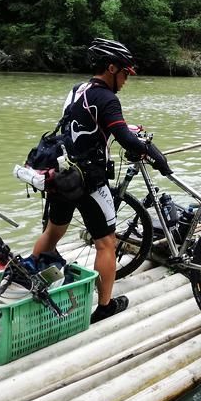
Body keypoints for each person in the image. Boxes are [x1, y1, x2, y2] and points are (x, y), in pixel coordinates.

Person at [32, 38, 170, 324]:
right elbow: (124, 138)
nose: (126, 80)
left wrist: (123, 129)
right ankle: (105, 306)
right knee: (106, 242)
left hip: (62, 175)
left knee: (52, 232)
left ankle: (32, 284)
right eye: (125, 73)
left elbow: (84, 122)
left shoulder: (77, 90)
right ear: (111, 68)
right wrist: (154, 155)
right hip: (88, 181)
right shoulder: (107, 98)